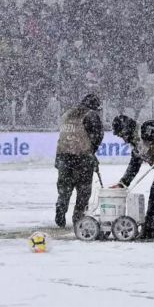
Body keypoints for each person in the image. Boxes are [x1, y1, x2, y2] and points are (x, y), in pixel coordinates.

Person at [54, 93, 104, 228]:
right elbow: (97, 136)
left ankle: (61, 206)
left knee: (64, 188)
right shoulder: (91, 115)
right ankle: (78, 217)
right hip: (82, 158)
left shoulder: (67, 114)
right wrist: (92, 151)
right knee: (83, 190)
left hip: (63, 155)